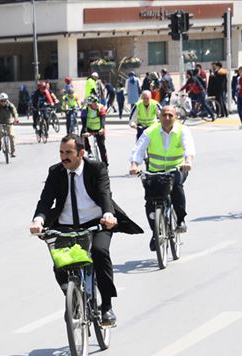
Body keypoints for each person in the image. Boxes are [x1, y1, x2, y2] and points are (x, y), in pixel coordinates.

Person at [30, 134, 143, 326]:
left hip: (97, 223)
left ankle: (106, 306)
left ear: (81, 153)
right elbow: (46, 199)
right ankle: (73, 296)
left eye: (68, 152)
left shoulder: (96, 168)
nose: (64, 157)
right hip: (65, 225)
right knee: (60, 263)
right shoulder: (55, 171)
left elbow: (104, 193)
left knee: (99, 252)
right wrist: (38, 220)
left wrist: (108, 214)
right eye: (61, 152)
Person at [129, 105, 194, 244]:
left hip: (177, 169)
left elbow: (188, 147)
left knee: (176, 186)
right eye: (164, 115)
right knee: (150, 201)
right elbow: (138, 149)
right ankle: (155, 233)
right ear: (159, 117)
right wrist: (134, 164)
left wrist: (188, 161)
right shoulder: (150, 131)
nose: (167, 118)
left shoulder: (182, 130)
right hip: (155, 171)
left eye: (170, 115)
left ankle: (180, 220)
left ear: (176, 117)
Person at [81, 96, 108, 165]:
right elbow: (84, 124)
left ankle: (105, 164)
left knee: (102, 146)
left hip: (99, 128)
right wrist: (86, 132)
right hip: (89, 128)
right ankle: (88, 150)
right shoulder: (85, 110)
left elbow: (103, 119)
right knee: (83, 134)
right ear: (89, 105)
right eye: (94, 103)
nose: (96, 104)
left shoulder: (101, 107)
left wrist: (102, 128)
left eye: (96, 102)